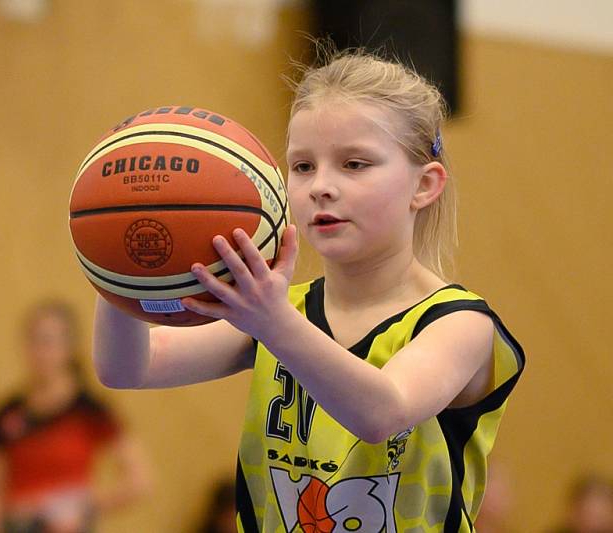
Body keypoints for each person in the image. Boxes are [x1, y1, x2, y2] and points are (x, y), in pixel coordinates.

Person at [93, 47, 525, 532]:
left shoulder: (458, 324)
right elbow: (127, 367)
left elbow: (382, 413)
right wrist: (121, 275)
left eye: (354, 164)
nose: (321, 186)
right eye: (302, 166)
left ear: (424, 185)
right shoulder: (281, 312)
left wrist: (273, 324)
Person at [0, 300, 150, 533]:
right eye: (34, 341)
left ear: (69, 348)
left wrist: (84, 505)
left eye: (49, 342)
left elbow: (138, 480)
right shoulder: (8, 413)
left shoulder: (90, 410)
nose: (40, 352)